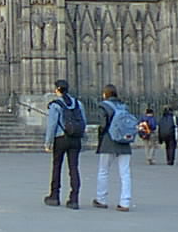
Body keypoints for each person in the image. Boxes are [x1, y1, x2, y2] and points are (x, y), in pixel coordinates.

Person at [43, 79, 87, 210]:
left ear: (57, 89)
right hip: (75, 139)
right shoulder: (78, 104)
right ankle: (74, 199)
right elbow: (83, 121)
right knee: (74, 168)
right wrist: (82, 138)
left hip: (61, 138)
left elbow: (52, 125)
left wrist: (48, 142)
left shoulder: (55, 105)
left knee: (57, 166)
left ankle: (54, 196)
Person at [93, 84, 132, 212]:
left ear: (105, 94)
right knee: (125, 173)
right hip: (124, 141)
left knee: (103, 171)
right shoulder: (124, 106)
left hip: (109, 141)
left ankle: (101, 199)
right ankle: (125, 202)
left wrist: (101, 135)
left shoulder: (103, 106)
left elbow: (103, 124)